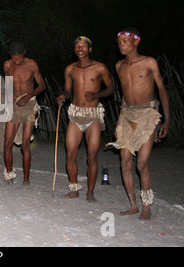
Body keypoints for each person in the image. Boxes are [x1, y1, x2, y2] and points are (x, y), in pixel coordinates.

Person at [107, 28, 170, 220]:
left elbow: (162, 90)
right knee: (125, 163)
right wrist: (119, 122)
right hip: (128, 116)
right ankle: (133, 205)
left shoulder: (149, 62)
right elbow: (125, 96)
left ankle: (146, 205)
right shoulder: (119, 66)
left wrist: (166, 120)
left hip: (147, 113)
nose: (121, 45)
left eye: (125, 41)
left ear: (136, 42)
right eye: (119, 42)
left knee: (141, 164)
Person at [56, 36, 114, 202]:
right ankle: (74, 189)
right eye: (77, 46)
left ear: (90, 49)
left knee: (92, 155)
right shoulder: (70, 69)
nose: (80, 48)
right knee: (70, 155)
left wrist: (98, 95)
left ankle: (90, 192)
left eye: (84, 46)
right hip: (76, 114)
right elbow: (68, 90)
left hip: (93, 115)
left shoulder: (100, 68)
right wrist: (63, 96)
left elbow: (111, 88)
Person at [3, 41, 45, 185]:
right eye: (15, 60)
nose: (17, 62)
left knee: (25, 144)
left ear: (25, 53)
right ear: (10, 56)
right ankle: (9, 176)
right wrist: (10, 96)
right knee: (8, 143)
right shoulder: (7, 65)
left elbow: (42, 85)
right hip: (14, 105)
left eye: (20, 59)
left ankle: (26, 179)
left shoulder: (32, 64)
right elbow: (8, 85)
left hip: (29, 103)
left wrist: (27, 96)